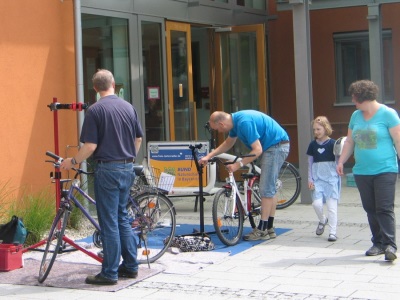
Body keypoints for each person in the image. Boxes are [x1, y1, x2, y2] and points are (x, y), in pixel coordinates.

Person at [61, 69, 144, 284]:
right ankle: (131, 266)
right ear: (114, 85)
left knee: (109, 222)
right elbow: (138, 139)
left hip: (107, 170)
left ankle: (109, 273)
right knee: (122, 217)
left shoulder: (95, 111)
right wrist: (127, 158)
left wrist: (73, 161)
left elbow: (90, 146)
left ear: (95, 88)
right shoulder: (128, 107)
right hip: (127, 168)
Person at [199, 110, 289, 240]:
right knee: (269, 188)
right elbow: (228, 144)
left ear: (222, 124)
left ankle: (262, 230)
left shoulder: (244, 122)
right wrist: (208, 156)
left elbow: (257, 150)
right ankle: (269, 227)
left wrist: (238, 165)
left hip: (276, 146)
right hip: (274, 144)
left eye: (217, 129)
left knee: (266, 188)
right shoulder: (235, 122)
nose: (219, 132)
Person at [337, 79, 400, 261]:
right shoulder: (356, 116)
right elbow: (350, 141)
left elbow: (398, 140)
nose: (353, 101)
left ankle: (390, 245)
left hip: (385, 169)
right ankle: (378, 243)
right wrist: (341, 161)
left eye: (354, 98)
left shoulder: (388, 114)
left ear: (363, 97)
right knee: (370, 208)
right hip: (362, 171)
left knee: (384, 208)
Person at [307, 116, 340, 242]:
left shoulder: (333, 143)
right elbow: (309, 163)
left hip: (331, 179)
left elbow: (338, 160)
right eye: (314, 129)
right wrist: (310, 179)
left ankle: (333, 232)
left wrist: (338, 172)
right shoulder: (312, 145)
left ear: (326, 128)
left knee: (332, 207)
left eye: (318, 129)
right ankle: (322, 219)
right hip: (317, 179)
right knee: (316, 204)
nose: (316, 132)